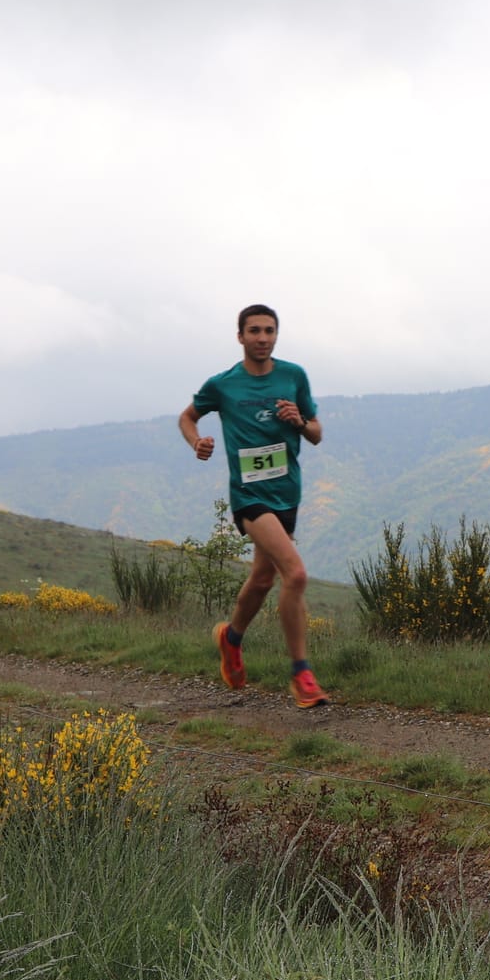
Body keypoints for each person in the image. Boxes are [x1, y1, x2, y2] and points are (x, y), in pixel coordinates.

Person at [178, 303, 330, 708]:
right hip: (249, 496)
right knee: (294, 575)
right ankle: (301, 675)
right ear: (240, 336)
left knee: (263, 580)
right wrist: (198, 442)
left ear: (276, 335)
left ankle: (231, 638)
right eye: (254, 331)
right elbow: (187, 417)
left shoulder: (293, 376)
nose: (262, 338)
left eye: (269, 331)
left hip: (287, 493)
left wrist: (299, 421)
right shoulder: (224, 384)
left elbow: (316, 433)